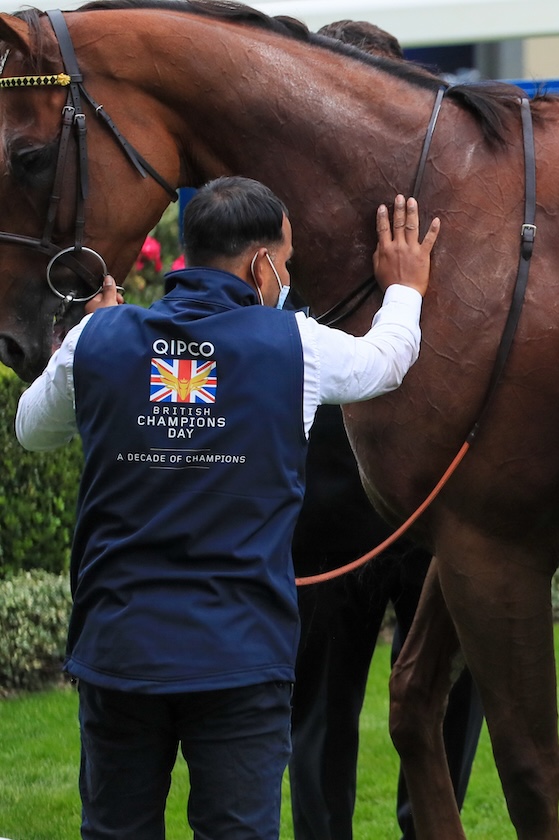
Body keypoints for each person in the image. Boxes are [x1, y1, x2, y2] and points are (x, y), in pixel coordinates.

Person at [15, 175, 438, 839]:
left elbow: (30, 430)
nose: (286, 276)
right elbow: (387, 360)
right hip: (238, 657)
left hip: (120, 649)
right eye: (287, 263)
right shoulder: (296, 346)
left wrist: (85, 339)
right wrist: (406, 286)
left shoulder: (96, 341)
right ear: (260, 264)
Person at [291, 20, 484, 840]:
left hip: (435, 498)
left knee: (443, 696)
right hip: (328, 500)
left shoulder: (459, 202)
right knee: (320, 707)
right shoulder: (287, 209)